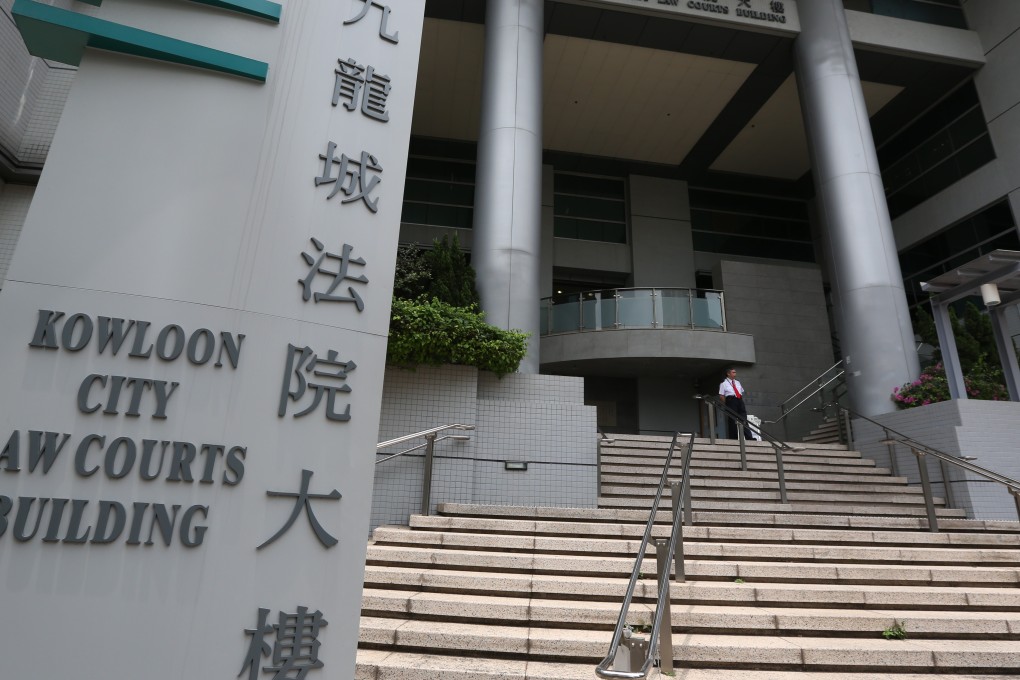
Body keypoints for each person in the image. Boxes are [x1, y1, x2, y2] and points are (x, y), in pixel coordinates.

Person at [718, 367, 753, 440]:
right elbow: (721, 396)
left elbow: (741, 391)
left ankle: (749, 437)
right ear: (728, 374)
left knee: (744, 419)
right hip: (731, 400)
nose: (735, 374)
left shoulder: (737, 382)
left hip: (739, 400)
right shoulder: (723, 384)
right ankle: (733, 438)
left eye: (735, 372)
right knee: (732, 420)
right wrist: (727, 403)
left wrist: (740, 400)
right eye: (733, 372)